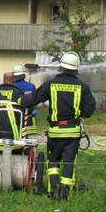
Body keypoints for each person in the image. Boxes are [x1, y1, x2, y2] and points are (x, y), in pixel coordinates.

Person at [19, 52, 96, 201]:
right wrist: (79, 112)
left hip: (55, 132)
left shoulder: (51, 84)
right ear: (75, 69)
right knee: (69, 162)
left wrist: (20, 100)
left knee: (53, 162)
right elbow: (89, 109)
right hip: (72, 133)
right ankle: (65, 194)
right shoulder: (82, 87)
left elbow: (34, 98)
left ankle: (53, 191)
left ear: (61, 67)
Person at [13, 63, 38, 136]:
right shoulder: (31, 86)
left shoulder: (11, 86)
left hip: (15, 117)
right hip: (29, 119)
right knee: (28, 142)